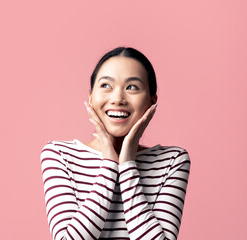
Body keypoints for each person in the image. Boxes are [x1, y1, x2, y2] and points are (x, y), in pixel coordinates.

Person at [40, 47, 191, 240]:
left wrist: (127, 164)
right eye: (106, 86)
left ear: (152, 101)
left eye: (132, 87)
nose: (118, 99)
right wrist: (110, 164)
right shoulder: (59, 155)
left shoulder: (172, 161)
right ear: (90, 97)